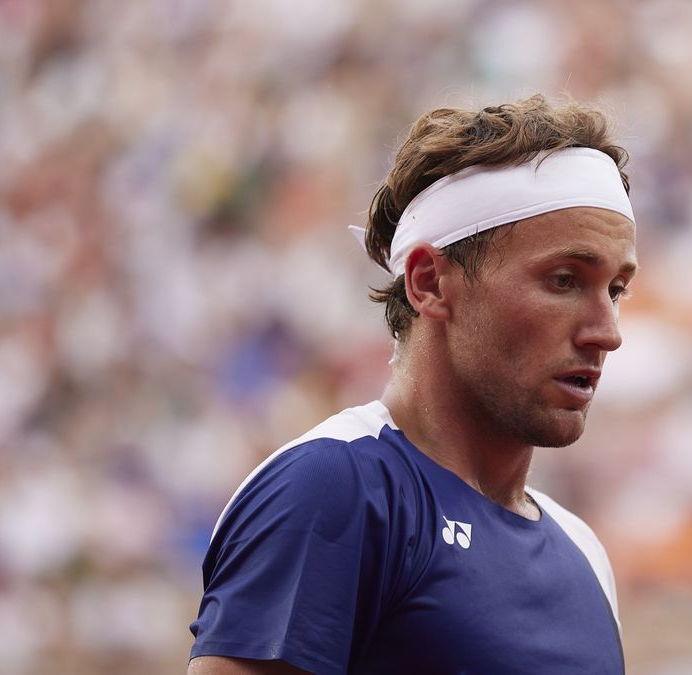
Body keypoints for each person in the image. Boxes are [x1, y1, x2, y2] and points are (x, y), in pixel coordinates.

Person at [187, 95, 637, 674]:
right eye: (563, 279)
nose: (607, 332)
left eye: (616, 290)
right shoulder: (335, 491)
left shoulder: (584, 552)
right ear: (429, 283)